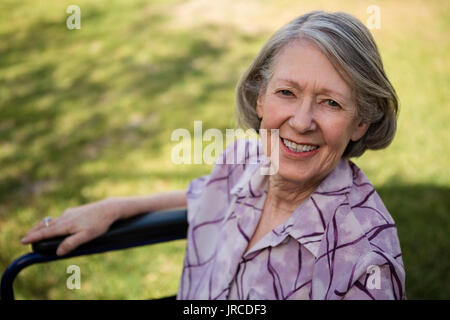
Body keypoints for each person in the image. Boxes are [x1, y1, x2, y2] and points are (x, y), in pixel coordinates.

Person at [21, 11, 405, 300]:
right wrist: (114, 207)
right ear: (260, 97)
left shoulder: (364, 262)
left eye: (330, 103)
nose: (301, 122)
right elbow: (209, 191)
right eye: (287, 93)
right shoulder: (245, 159)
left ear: (361, 122)